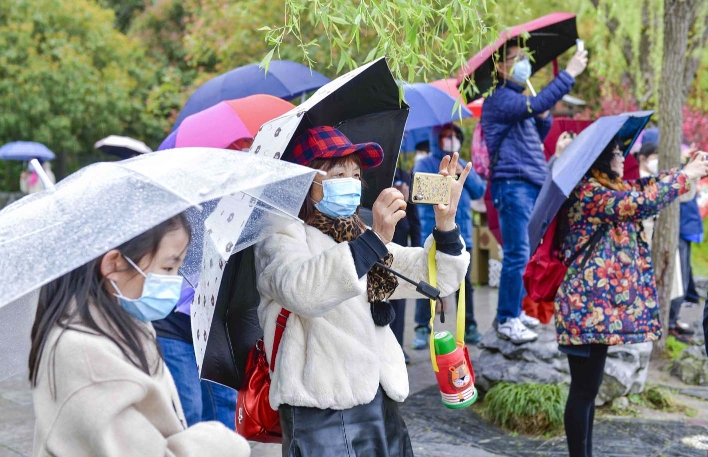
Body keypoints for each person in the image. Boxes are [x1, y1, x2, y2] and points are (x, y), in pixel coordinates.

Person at [254, 126, 471, 456]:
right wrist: (373, 240)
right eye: (338, 172)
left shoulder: (356, 231)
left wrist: (445, 224)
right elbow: (303, 290)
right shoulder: (280, 233)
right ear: (304, 180)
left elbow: (432, 276)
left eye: (355, 174)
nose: (351, 182)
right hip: (321, 405)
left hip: (378, 396)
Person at [29, 214, 250, 457]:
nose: (174, 281)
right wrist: (221, 443)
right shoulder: (85, 351)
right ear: (113, 263)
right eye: (167, 267)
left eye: (178, 268)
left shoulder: (124, 320)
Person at [555, 138, 708, 457]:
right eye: (613, 153)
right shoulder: (590, 193)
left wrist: (683, 168)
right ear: (597, 159)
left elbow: (647, 186)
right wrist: (687, 176)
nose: (621, 157)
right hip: (584, 307)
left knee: (589, 390)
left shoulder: (609, 186)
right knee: (583, 391)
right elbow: (639, 204)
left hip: (594, 310)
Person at [480, 43, 588, 344]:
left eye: (525, 57)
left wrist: (543, 118)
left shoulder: (516, 100)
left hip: (527, 182)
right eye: (518, 59)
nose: (524, 63)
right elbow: (538, 101)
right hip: (512, 184)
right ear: (501, 67)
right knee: (516, 254)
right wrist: (568, 74)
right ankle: (506, 319)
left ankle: (516, 311)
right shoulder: (499, 99)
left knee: (525, 253)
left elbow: (535, 135)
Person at [411, 123, 486, 349]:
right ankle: (422, 327)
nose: (451, 139)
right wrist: (444, 180)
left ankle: (469, 325)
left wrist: (461, 169)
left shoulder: (462, 165)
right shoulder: (424, 164)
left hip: (462, 236)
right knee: (427, 281)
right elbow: (422, 192)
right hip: (431, 234)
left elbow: (479, 190)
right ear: (436, 139)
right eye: (446, 136)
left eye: (455, 136)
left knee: (465, 284)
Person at [154, 285, 238, 428]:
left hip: (214, 324)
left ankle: (223, 449)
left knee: (225, 401)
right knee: (188, 408)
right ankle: (183, 449)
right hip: (171, 323)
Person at [389, 167, 422, 364]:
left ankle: (397, 349)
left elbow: (415, 222)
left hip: (400, 251)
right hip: (375, 247)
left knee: (399, 303)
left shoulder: (404, 176)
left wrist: (417, 254)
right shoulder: (373, 174)